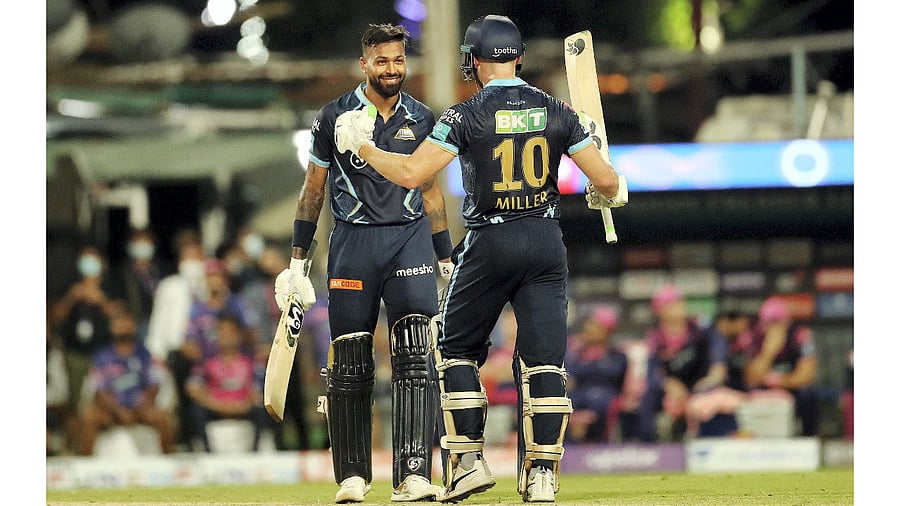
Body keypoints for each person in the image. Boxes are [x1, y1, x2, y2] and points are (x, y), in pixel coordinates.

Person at [333, 14, 628, 503]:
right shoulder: (558, 110)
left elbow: (411, 174)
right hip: (545, 241)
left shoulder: (464, 114)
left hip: (490, 241)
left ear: (472, 60)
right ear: (519, 57)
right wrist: (606, 184)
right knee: (545, 363)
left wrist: (360, 145)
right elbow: (607, 182)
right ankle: (542, 477)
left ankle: (468, 463)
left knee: (454, 348)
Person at [272, 22, 454, 503]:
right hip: (353, 244)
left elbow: (431, 191)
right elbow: (313, 190)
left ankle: (413, 475)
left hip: (409, 241)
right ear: (364, 64)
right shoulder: (334, 116)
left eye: (398, 60)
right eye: (382, 61)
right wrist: (297, 262)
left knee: (415, 355)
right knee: (350, 360)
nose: (392, 69)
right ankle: (352, 476)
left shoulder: (422, 116)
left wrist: (445, 258)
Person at [79, 301, 176, 455]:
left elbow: (154, 386)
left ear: (133, 324)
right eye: (117, 321)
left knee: (162, 418)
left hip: (141, 410)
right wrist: (118, 410)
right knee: (89, 417)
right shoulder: (101, 357)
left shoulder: (146, 355)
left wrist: (138, 409)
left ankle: (168, 462)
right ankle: (87, 464)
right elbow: (99, 390)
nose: (121, 325)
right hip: (112, 412)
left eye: (125, 321)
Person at [634, 285, 728, 443]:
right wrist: (668, 384)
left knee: (713, 393)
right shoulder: (655, 338)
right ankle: (648, 446)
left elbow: (718, 342)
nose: (679, 306)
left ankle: (712, 442)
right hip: (673, 387)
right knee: (648, 396)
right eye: (672, 304)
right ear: (661, 310)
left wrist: (718, 366)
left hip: (700, 383)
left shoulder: (698, 326)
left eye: (680, 302)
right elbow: (652, 373)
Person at [50, 244, 116, 452]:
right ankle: (72, 450)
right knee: (73, 404)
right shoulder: (70, 286)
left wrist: (101, 300)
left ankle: (91, 451)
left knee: (99, 402)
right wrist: (72, 298)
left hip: (104, 355)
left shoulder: (111, 286)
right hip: (75, 354)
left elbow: (121, 320)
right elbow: (55, 318)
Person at [184, 313, 269, 452]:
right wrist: (217, 405)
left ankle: (255, 452)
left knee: (262, 410)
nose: (226, 336)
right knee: (196, 411)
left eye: (230, 332)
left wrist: (242, 406)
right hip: (215, 407)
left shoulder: (251, 362)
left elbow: (259, 390)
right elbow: (192, 388)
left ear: (239, 335)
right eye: (221, 332)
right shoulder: (206, 362)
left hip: (243, 407)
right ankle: (207, 453)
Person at [744, 296, 819, 437]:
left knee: (808, 395)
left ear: (786, 322)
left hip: (791, 387)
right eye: (769, 324)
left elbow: (806, 375)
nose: (774, 328)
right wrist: (768, 352)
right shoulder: (754, 337)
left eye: (778, 323)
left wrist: (778, 380)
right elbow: (751, 378)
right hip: (763, 390)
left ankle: (808, 438)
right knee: (745, 395)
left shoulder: (800, 335)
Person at [564, 307, 629, 443]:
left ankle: (600, 445)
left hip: (604, 399)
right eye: (590, 324)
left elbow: (616, 378)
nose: (589, 329)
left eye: (596, 326)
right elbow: (569, 375)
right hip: (577, 396)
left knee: (600, 400)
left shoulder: (617, 356)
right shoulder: (574, 353)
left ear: (607, 331)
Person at [110, 227, 168, 341]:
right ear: (131, 247)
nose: (142, 248)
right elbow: (118, 301)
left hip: (163, 322)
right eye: (138, 244)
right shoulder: (122, 273)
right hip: (138, 325)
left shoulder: (163, 270)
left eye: (146, 245)